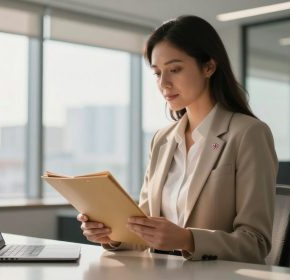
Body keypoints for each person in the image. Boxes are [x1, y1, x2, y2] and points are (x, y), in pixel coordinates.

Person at [77, 15, 278, 264]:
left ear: (209, 67)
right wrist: (111, 236)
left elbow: (255, 243)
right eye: (157, 73)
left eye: (175, 69)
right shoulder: (162, 140)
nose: (164, 83)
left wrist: (186, 239)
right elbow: (143, 232)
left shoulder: (248, 133)